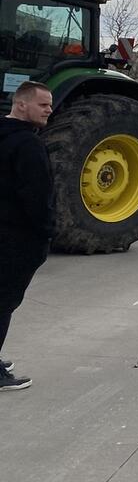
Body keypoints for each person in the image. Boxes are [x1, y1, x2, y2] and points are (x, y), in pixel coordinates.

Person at [0, 81, 56, 391]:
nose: (50, 110)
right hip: (17, 237)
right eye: (43, 105)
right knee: (3, 302)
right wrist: (47, 233)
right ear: (22, 105)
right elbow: (37, 197)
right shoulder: (28, 145)